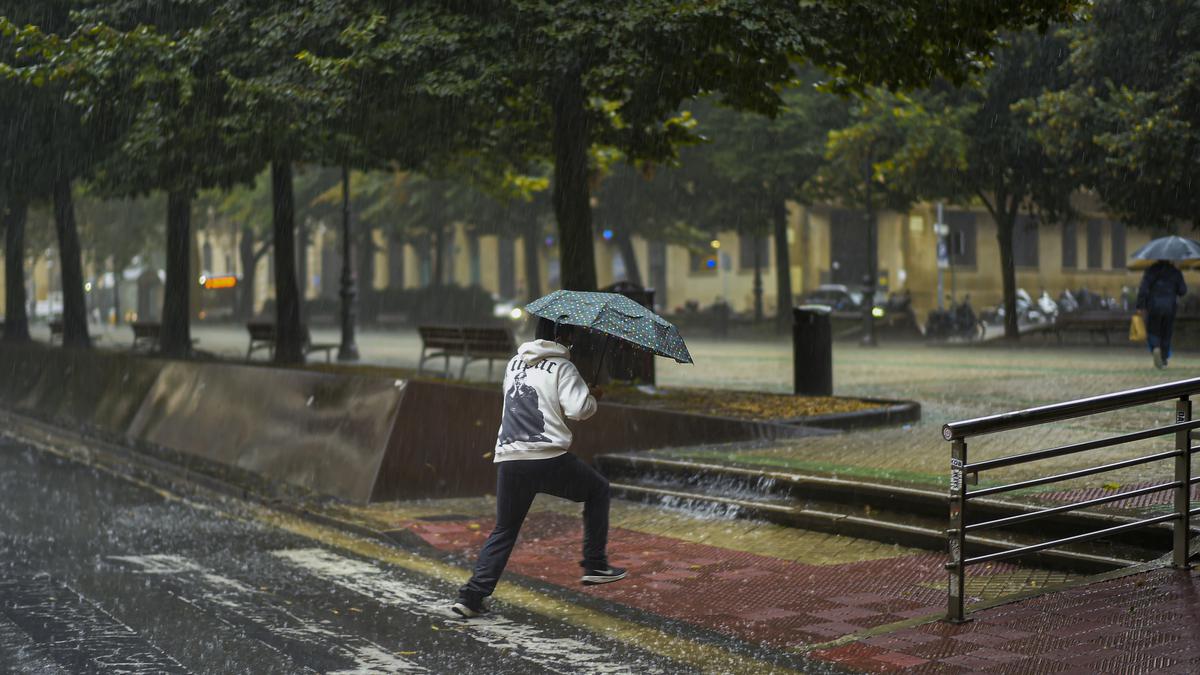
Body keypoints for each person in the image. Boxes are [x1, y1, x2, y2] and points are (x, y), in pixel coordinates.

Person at [452, 318, 626, 618]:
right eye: (570, 335)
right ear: (562, 335)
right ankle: (595, 564)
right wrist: (591, 396)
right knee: (598, 490)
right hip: (545, 456)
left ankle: (470, 597)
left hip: (509, 457)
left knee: (504, 529)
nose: (572, 341)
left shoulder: (514, 364)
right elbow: (578, 410)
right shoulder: (563, 368)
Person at [1136, 259, 1187, 369]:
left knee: (1153, 330)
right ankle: (1163, 359)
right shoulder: (1175, 272)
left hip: (1153, 306)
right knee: (1166, 333)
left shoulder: (1151, 270)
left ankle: (1155, 347)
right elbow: (1183, 290)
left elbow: (1143, 289)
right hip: (1169, 307)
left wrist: (1140, 306)